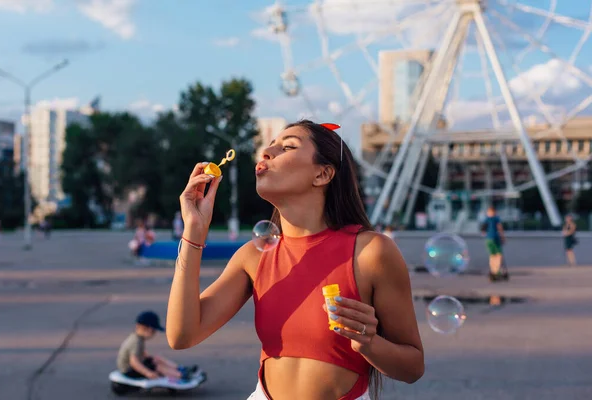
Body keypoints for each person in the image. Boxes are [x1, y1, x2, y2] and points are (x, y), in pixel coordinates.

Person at [166, 120, 424, 399]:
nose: (266, 151)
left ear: (322, 174)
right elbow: (182, 335)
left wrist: (369, 343)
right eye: (270, 144)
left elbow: (412, 367)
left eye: (287, 146)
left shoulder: (371, 252)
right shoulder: (253, 256)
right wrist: (193, 231)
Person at [116, 311, 194, 381]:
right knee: (157, 367)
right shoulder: (136, 342)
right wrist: (148, 373)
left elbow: (141, 353)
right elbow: (134, 362)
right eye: (153, 331)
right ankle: (180, 375)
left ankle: (179, 369)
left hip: (132, 366)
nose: (154, 334)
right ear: (146, 328)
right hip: (129, 370)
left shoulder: (137, 338)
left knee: (156, 359)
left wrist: (151, 358)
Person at [481, 206, 507, 281]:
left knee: (492, 255)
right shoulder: (496, 218)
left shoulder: (486, 219)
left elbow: (483, 230)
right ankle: (496, 271)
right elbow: (500, 227)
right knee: (498, 255)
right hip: (495, 238)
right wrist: (503, 237)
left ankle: (493, 271)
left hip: (488, 240)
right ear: (494, 212)